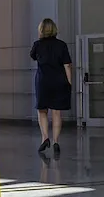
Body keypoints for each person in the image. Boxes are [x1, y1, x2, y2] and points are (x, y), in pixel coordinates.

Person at [30, 19, 73, 157]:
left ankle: (45, 138)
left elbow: (33, 56)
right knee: (56, 113)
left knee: (42, 111)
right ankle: (56, 141)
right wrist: (69, 82)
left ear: (41, 30)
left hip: (43, 81)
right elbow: (67, 65)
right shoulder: (62, 45)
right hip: (59, 81)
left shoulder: (37, 45)